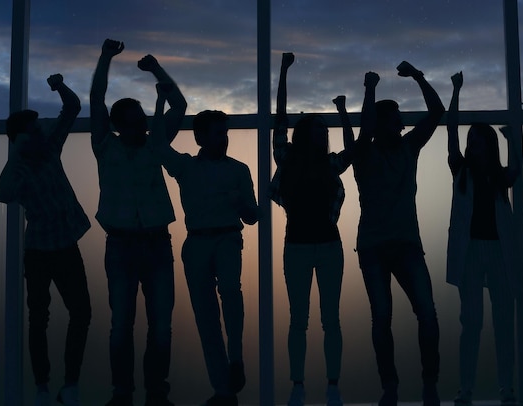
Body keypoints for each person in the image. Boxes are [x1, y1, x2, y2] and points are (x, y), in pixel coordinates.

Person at [268, 53, 376, 406]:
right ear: (304, 135)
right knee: (300, 319)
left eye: (322, 132)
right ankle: (299, 384)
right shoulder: (287, 157)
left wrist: (350, 108)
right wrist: (283, 72)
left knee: (329, 318)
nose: (320, 135)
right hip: (300, 246)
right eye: (316, 131)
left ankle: (331, 384)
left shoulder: (329, 164)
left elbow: (358, 146)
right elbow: (279, 118)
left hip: (326, 247)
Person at [89, 39, 186, 406]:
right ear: (119, 126)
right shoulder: (107, 146)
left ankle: (154, 392)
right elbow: (96, 101)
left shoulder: (153, 144)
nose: (139, 129)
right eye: (132, 125)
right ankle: (124, 393)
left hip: (156, 242)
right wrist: (105, 59)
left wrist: (157, 70)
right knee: (122, 326)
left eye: (141, 123)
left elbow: (178, 105)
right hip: (123, 243)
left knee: (160, 326)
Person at [150, 80, 258, 406]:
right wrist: (159, 102)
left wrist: (238, 202)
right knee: (206, 316)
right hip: (197, 244)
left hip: (226, 237)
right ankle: (223, 389)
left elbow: (252, 216)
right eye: (218, 133)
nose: (223, 139)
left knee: (229, 293)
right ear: (200, 137)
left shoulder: (239, 170)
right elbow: (156, 144)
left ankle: (235, 359)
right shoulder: (186, 166)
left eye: (225, 133)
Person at [352, 61, 445, 406]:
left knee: (422, 314)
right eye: (396, 119)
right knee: (389, 318)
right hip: (378, 247)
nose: (402, 123)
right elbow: (365, 129)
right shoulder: (365, 151)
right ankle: (395, 386)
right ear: (382, 124)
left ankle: (425, 383)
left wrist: (419, 75)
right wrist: (371, 89)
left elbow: (437, 111)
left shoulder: (406, 148)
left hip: (398, 245)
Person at [0, 74, 91, 406]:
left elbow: (72, 107)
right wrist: (16, 156)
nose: (42, 130)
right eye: (35, 129)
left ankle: (68, 384)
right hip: (40, 249)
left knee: (77, 312)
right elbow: (3, 194)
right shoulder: (20, 167)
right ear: (23, 137)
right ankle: (44, 387)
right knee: (40, 317)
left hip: (61, 245)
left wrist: (59, 86)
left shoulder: (50, 148)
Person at [446, 71, 520, 406]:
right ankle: (466, 389)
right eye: (470, 140)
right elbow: (450, 130)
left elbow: (516, 165)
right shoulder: (460, 170)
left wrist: (511, 135)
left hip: (498, 251)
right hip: (471, 252)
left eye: (478, 140)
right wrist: (456, 91)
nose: (472, 144)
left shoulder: (500, 176)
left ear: (487, 144)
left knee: (504, 320)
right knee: (472, 322)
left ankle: (507, 387)